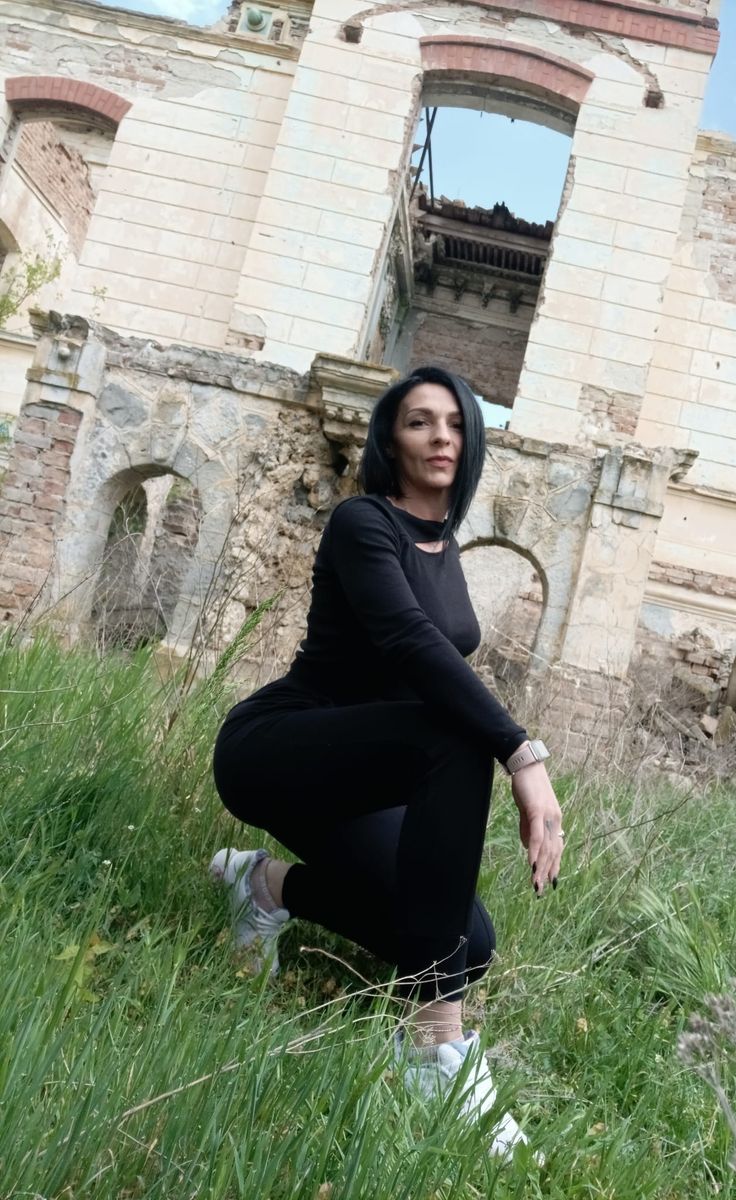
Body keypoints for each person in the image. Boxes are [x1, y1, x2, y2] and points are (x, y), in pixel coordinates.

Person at [210, 365, 564, 1158]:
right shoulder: (362, 522)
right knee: (457, 734)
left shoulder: (447, 545)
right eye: (419, 421)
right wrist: (522, 755)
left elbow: (432, 667)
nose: (441, 436)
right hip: (281, 746)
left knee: (467, 941)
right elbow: (410, 642)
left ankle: (265, 887)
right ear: (390, 440)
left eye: (456, 422)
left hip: (366, 777)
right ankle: (433, 1044)